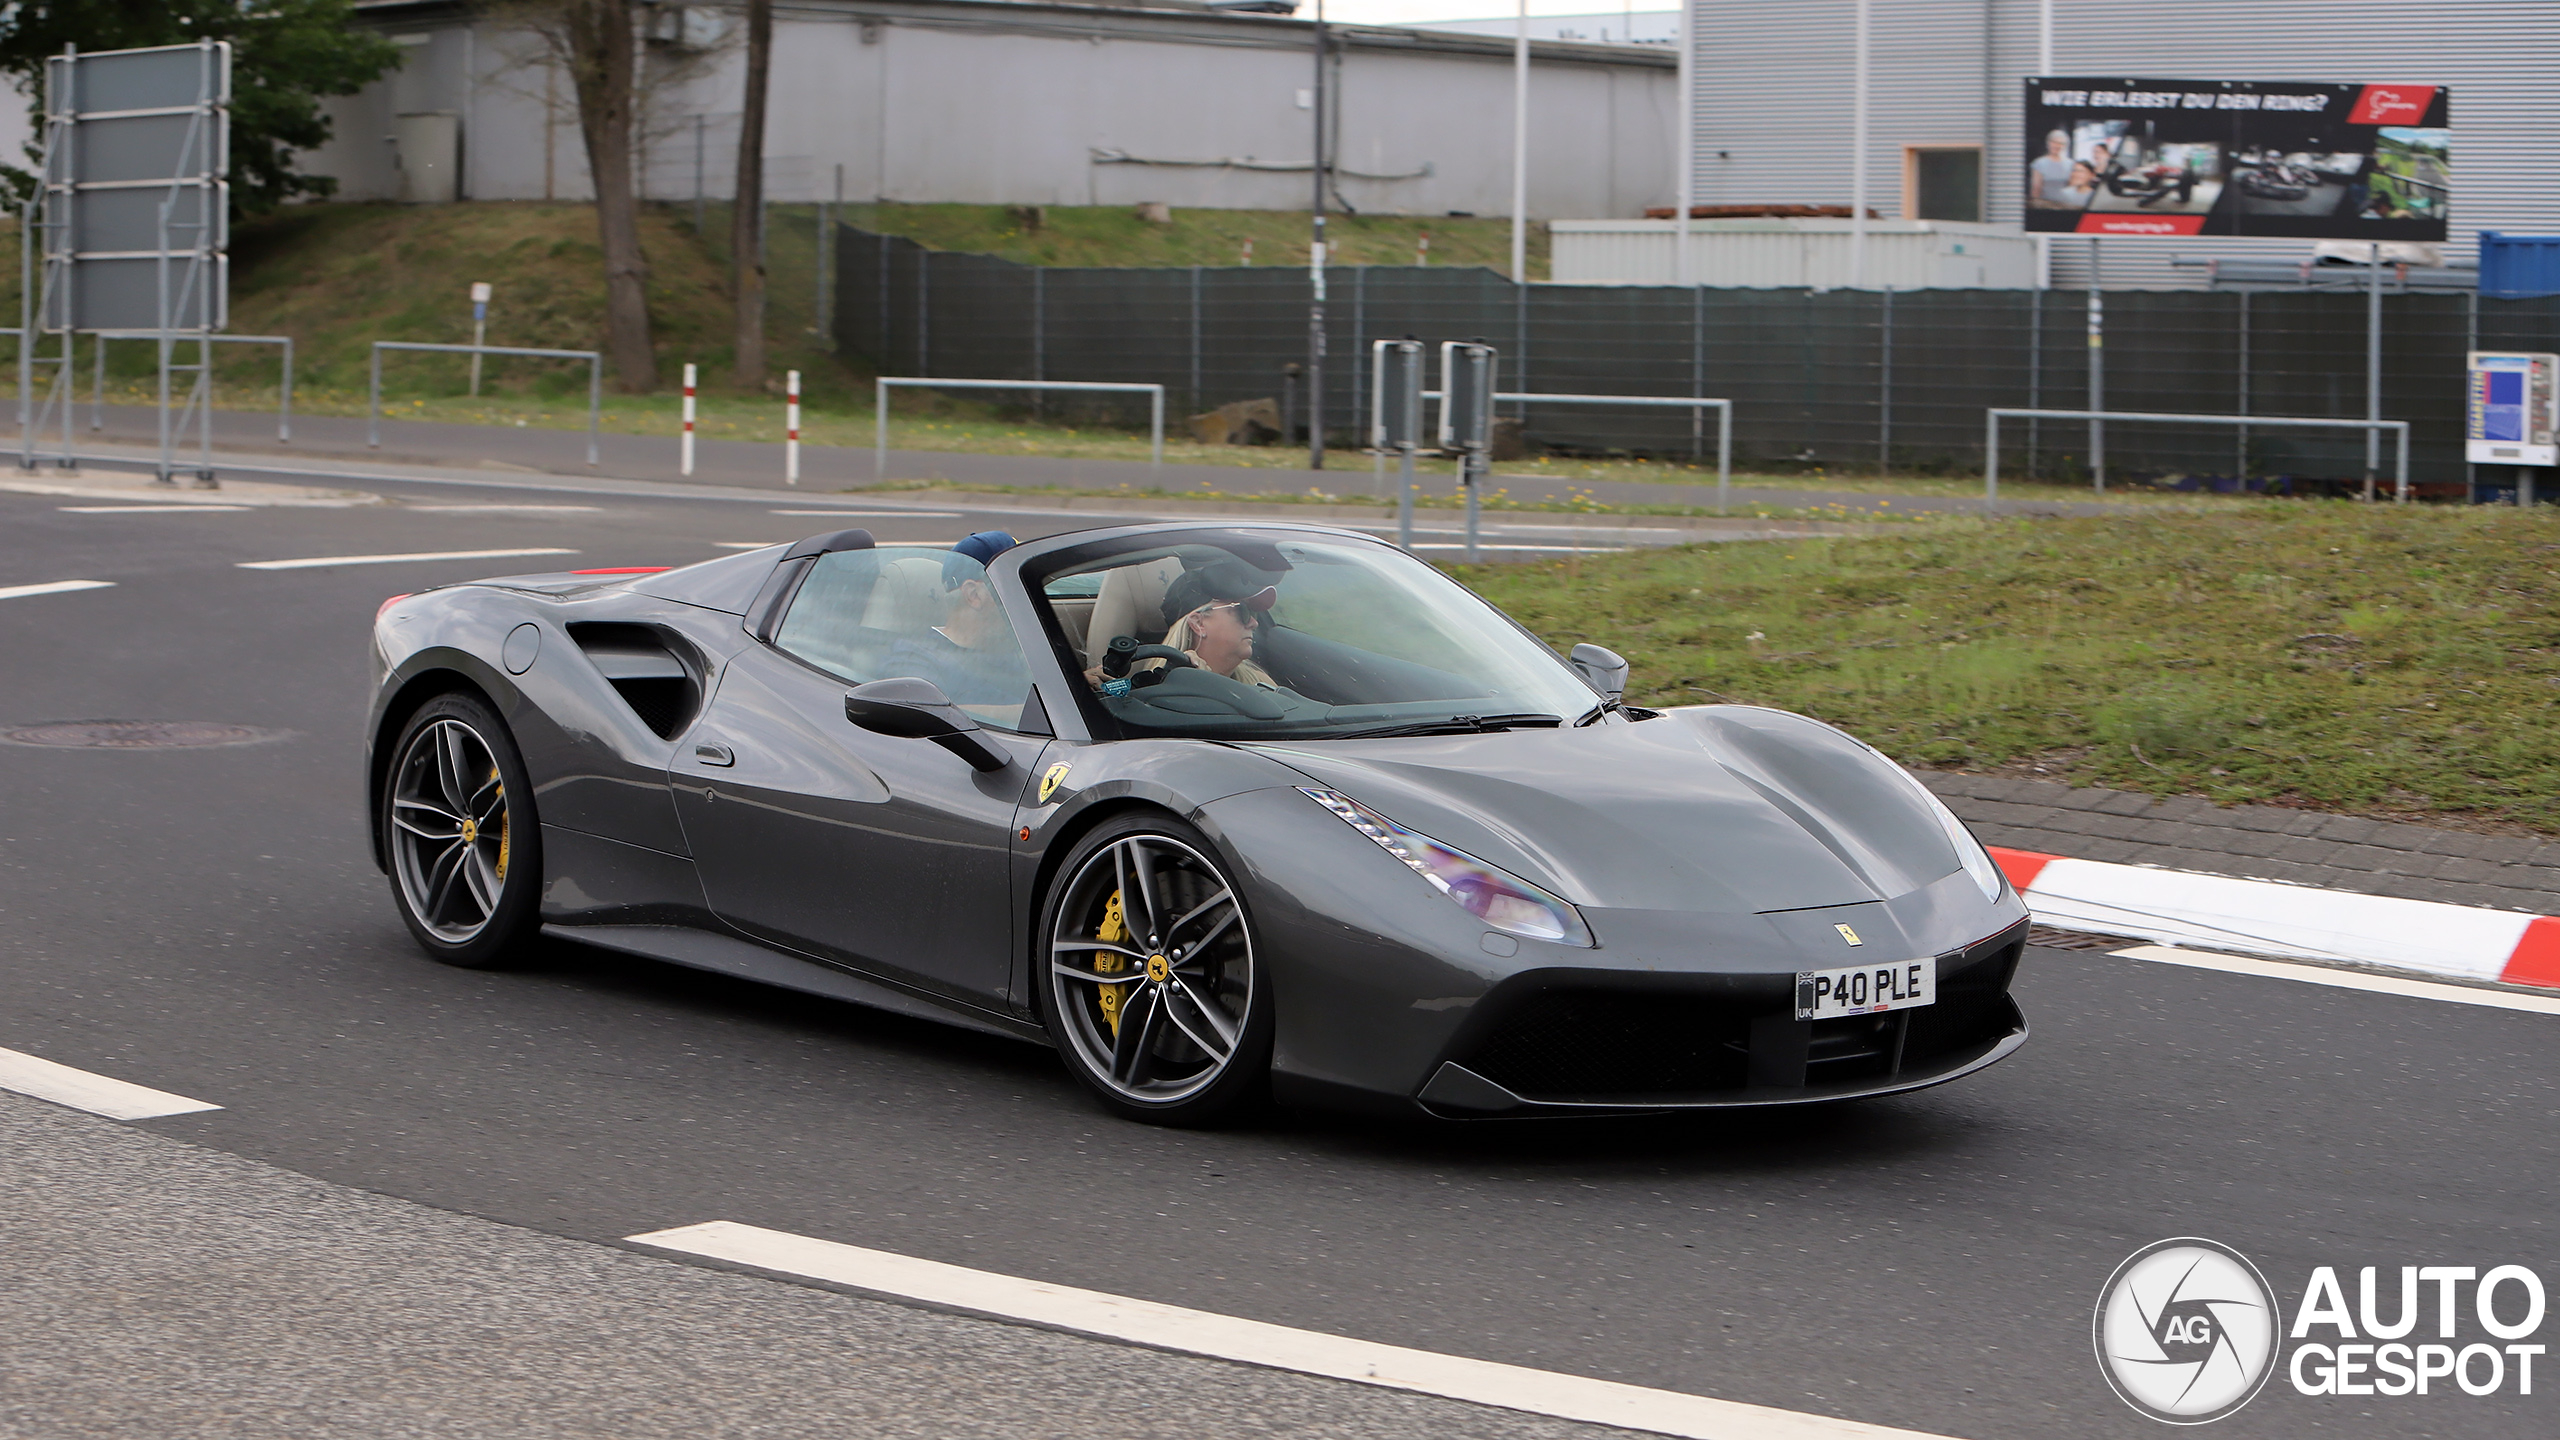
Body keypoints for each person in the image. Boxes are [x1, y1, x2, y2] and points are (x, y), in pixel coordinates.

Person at [880, 531, 1032, 710]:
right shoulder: (914, 661)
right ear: (974, 595)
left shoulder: (1018, 654)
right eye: (1017, 587)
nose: (1026, 599)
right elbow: (928, 720)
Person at [2028, 129, 2076, 207]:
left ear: (2065, 146)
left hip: (2065, 205)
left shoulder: (2071, 164)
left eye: (2061, 143)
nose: (2057, 146)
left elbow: (2073, 188)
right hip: (2045, 205)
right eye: (2054, 142)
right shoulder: (2039, 163)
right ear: (2048, 143)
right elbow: (2036, 189)